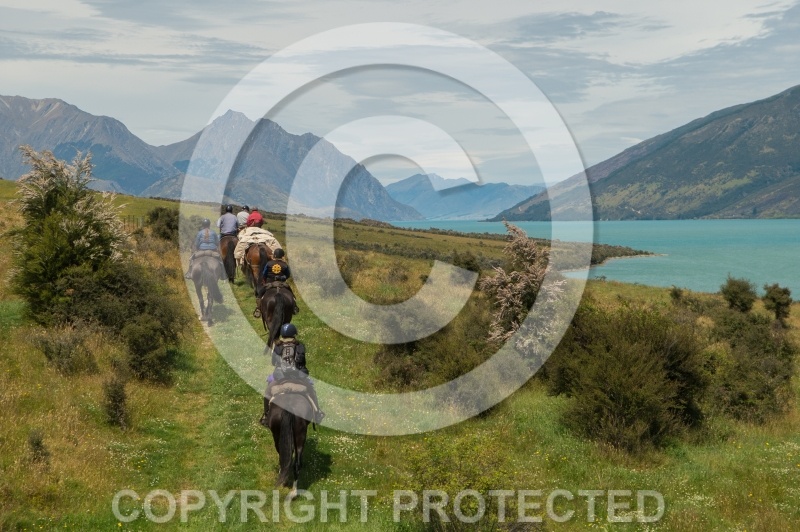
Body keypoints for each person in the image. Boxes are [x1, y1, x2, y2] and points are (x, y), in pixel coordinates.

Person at [260, 323, 324, 425]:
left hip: (281, 377)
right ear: (294, 334)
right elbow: (302, 362)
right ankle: (317, 413)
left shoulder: (278, 346)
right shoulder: (300, 346)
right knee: (311, 390)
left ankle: (266, 415)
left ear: (282, 334)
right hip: (298, 376)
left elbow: (273, 362)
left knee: (268, 392)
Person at [257, 248, 299, 314]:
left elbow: (264, 274)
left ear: (274, 255)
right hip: (281, 283)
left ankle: (258, 309)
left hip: (270, 283)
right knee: (292, 294)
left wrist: (264, 281)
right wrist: (282, 277)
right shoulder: (284, 264)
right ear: (282, 256)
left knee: (260, 294)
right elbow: (288, 275)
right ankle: (294, 307)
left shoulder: (269, 263)